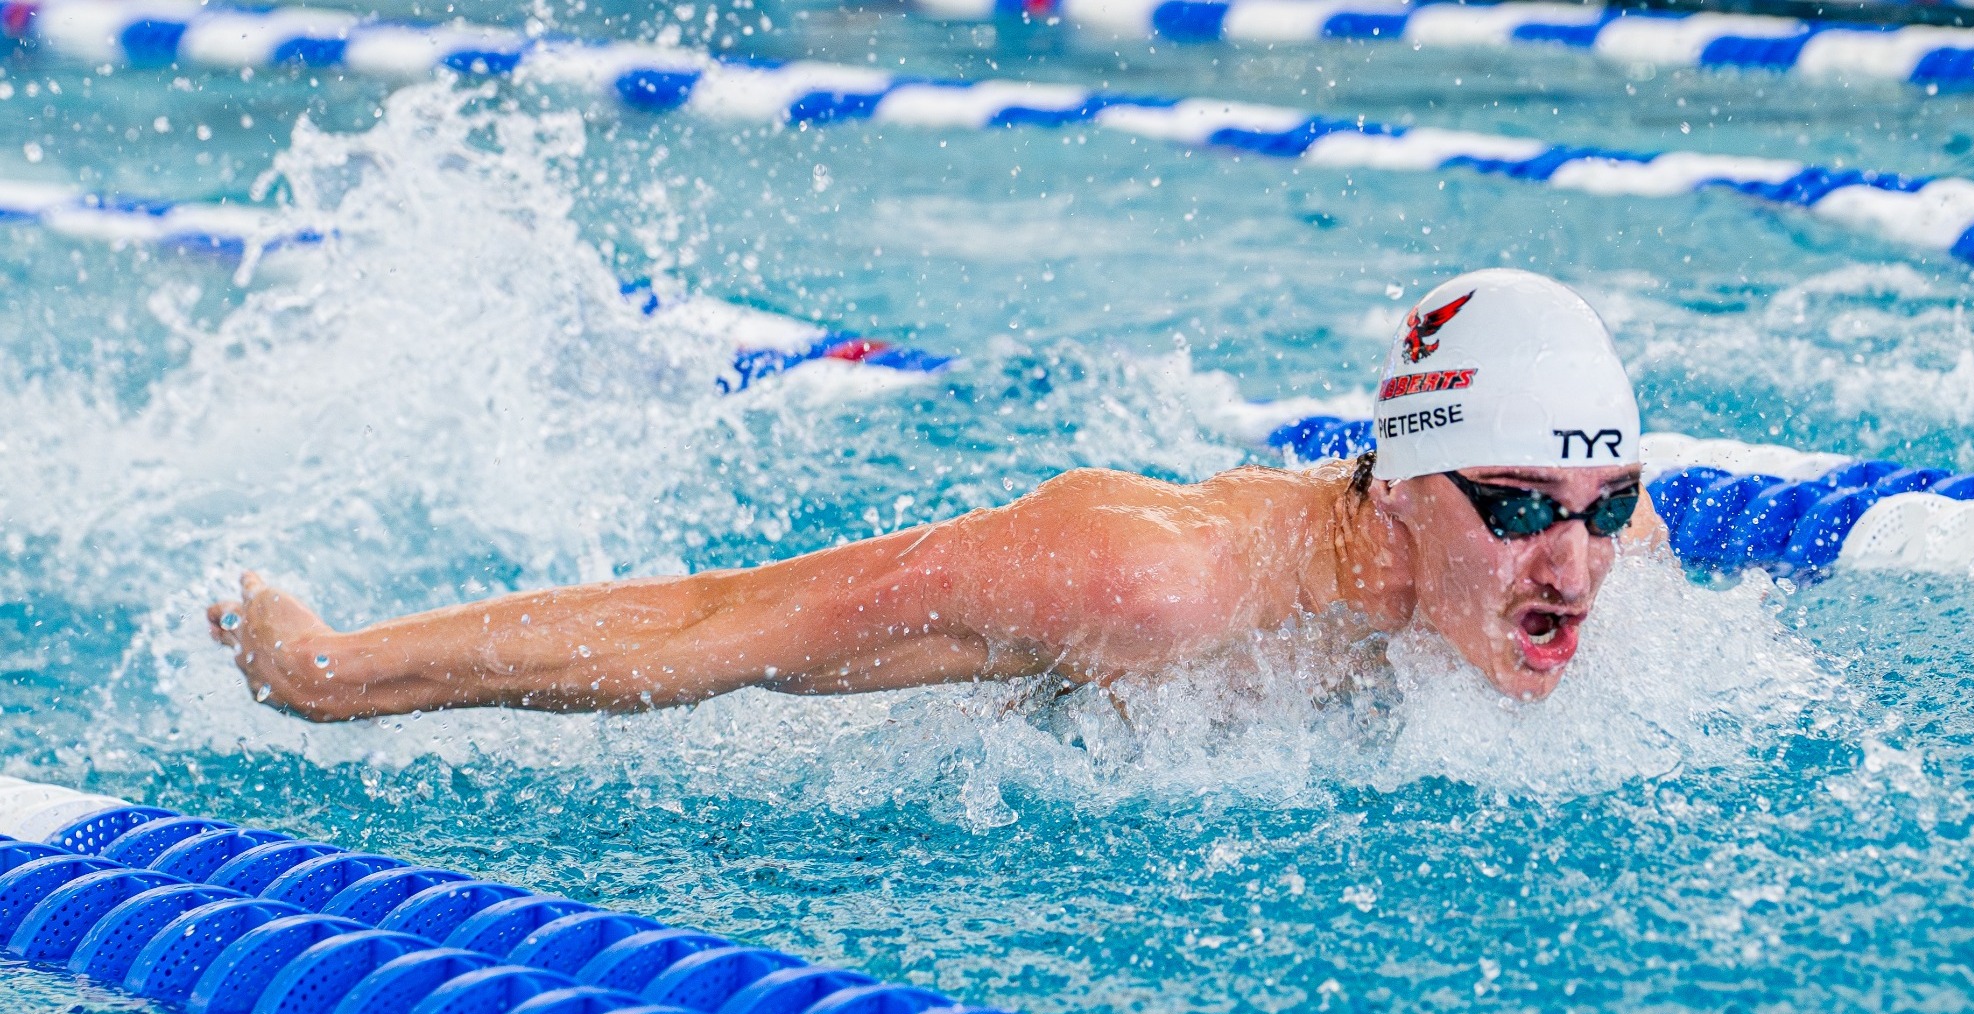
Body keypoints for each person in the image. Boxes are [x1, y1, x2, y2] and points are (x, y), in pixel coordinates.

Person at [209, 269, 1666, 720]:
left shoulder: (1601, 546)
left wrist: (1576, 517)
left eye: (1603, 506)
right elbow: (719, 620)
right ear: (1401, 484)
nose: (1578, 567)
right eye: (1525, 509)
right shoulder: (1156, 581)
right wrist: (330, 669)